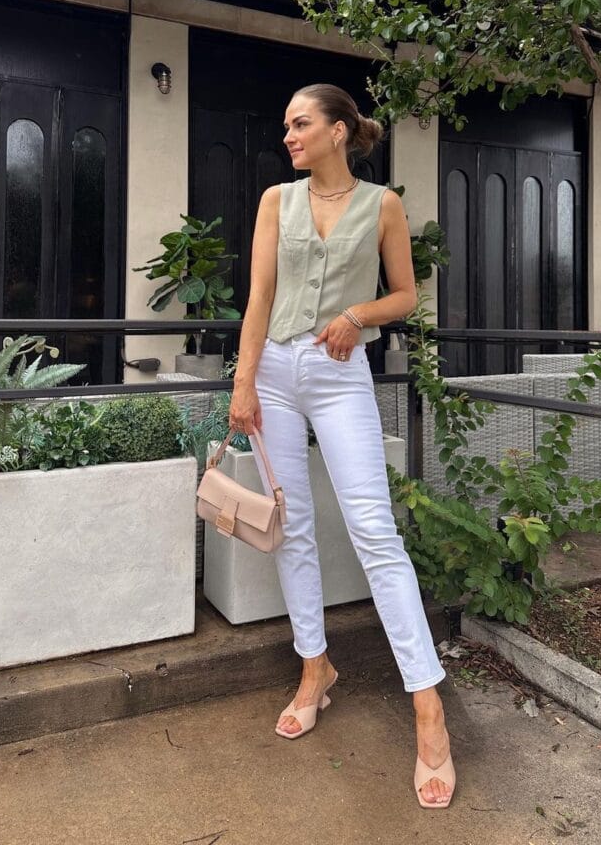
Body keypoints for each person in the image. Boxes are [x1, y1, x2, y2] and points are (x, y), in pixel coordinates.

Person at [228, 83, 455, 808]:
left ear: (337, 130)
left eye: (300, 124)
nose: (288, 136)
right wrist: (243, 382)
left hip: (338, 374)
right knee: (291, 523)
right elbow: (259, 297)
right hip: (274, 374)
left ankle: (427, 706)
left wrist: (357, 314)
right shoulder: (276, 201)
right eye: (286, 126)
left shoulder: (382, 205)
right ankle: (313, 668)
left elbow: (406, 295)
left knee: (374, 531)